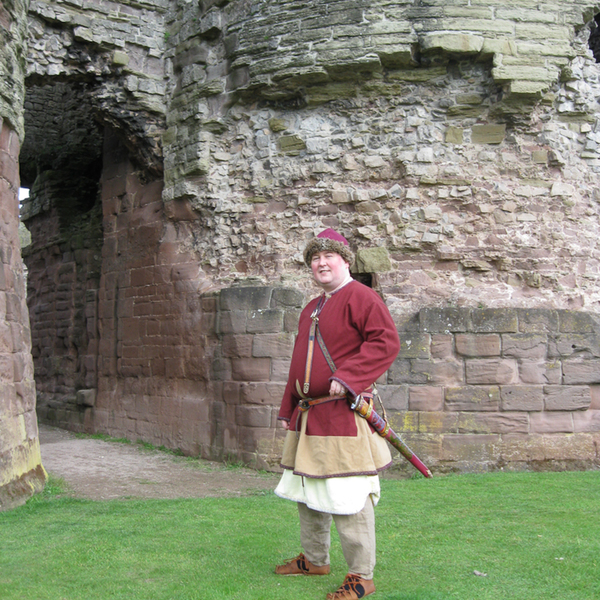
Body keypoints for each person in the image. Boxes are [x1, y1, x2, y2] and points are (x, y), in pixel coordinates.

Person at [274, 228, 401, 600]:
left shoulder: (361, 297)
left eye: (329, 256)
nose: (321, 263)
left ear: (345, 261)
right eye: (315, 258)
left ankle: (361, 576)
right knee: (308, 489)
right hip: (308, 416)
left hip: (342, 415)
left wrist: (348, 377)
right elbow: (299, 363)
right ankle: (314, 559)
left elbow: (385, 343)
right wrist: (287, 408)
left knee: (348, 493)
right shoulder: (311, 307)